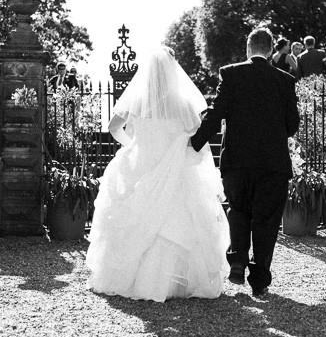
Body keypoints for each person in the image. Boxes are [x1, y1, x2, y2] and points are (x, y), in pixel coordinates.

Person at [85, 46, 229, 302]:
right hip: (176, 170)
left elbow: (113, 127)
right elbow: (196, 136)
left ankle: (133, 279)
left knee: (139, 217)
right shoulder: (183, 103)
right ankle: (177, 283)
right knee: (178, 218)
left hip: (142, 165)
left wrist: (133, 146)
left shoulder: (137, 99)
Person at [190, 27, 300, 297]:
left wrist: (195, 142)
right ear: (272, 49)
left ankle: (237, 258)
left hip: (237, 161)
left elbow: (216, 114)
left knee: (238, 209)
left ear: (248, 49)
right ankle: (260, 279)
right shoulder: (284, 81)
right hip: (272, 164)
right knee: (267, 220)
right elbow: (292, 126)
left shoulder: (231, 73)